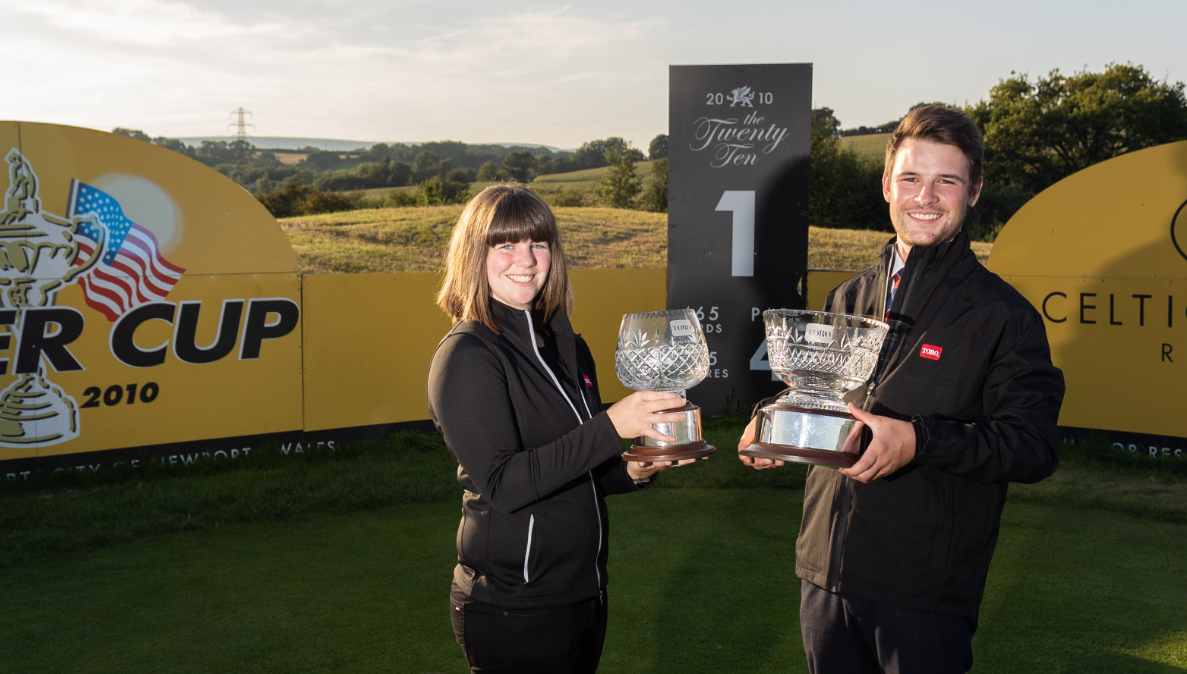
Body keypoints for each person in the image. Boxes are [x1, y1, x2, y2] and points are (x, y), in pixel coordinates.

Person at [738, 105, 1065, 673]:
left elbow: (1032, 446)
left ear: (975, 191)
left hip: (924, 593)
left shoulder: (1004, 316)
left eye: (947, 181)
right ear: (888, 184)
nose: (926, 196)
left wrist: (921, 441)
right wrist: (778, 422)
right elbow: (826, 400)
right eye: (912, 178)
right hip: (824, 575)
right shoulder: (847, 297)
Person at [428, 184, 695, 673]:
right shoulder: (467, 355)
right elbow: (505, 484)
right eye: (505, 244)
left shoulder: (567, 344)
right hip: (514, 608)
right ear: (474, 255)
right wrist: (614, 426)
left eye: (539, 243)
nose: (525, 259)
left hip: (584, 595)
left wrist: (637, 466)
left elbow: (579, 468)